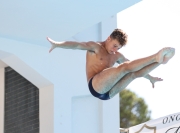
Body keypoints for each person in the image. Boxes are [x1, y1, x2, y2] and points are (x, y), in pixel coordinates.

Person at [47, 29, 175, 100]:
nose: (115, 50)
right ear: (108, 38)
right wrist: (58, 44)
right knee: (124, 68)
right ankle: (155, 57)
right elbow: (76, 45)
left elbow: (136, 66)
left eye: (118, 48)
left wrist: (150, 78)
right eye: (114, 45)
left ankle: (161, 61)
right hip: (96, 86)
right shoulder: (95, 47)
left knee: (132, 74)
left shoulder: (117, 56)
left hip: (108, 94)